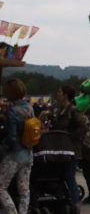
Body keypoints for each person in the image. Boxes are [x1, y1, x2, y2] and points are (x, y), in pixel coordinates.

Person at [0, 79, 33, 214]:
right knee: (24, 190)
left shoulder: (13, 111)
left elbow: (12, 138)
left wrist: (2, 148)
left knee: (1, 187)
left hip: (15, 156)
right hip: (29, 154)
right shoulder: (30, 108)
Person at [54, 85, 88, 212]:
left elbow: (82, 128)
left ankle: (75, 204)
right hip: (59, 148)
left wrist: (69, 137)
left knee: (69, 176)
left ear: (65, 95)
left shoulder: (73, 110)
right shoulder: (60, 110)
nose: (58, 94)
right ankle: (63, 202)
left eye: (60, 92)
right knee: (61, 176)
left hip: (70, 149)